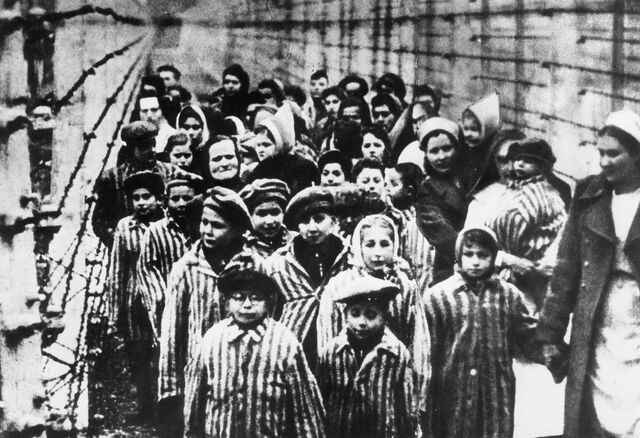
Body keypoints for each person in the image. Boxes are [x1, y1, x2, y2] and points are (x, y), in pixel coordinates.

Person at [537, 110, 640, 437]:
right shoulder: (588, 196)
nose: (604, 162)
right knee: (596, 409)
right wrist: (550, 335)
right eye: (601, 153)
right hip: (596, 319)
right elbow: (565, 269)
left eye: (614, 154)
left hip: (636, 321)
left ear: (636, 154)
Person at [183, 253, 326, 438]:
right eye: (239, 298)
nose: (247, 305)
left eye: (256, 298)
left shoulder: (285, 342)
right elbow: (195, 398)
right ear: (227, 303)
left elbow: (305, 406)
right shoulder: (212, 339)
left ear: (268, 303)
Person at [424, 226, 537, 438]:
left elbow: (530, 337)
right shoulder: (437, 298)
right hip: (452, 392)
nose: (475, 262)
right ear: (459, 255)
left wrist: (554, 352)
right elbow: (427, 352)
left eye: (483, 255)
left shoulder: (509, 295)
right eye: (469, 254)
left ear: (493, 257)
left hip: (496, 393)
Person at [157, 187, 253, 437]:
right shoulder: (186, 268)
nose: (207, 231)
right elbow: (172, 333)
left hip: (246, 374)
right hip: (201, 372)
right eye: (204, 222)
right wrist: (170, 391)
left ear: (236, 229)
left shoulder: (252, 266)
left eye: (217, 225)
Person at [317, 276, 419, 438]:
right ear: (345, 316)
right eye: (355, 314)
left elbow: (405, 408)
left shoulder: (397, 354)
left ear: (385, 317)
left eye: (371, 315)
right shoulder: (331, 352)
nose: (362, 322)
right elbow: (319, 401)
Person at [264, 186, 348, 365]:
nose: (312, 228)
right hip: (293, 354)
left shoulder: (350, 258)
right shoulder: (278, 264)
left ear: (333, 221)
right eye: (304, 221)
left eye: (319, 219)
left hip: (339, 354)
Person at [106, 171, 164, 420]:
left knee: (164, 354)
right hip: (135, 302)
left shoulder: (168, 225)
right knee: (138, 355)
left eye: (146, 197)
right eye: (136, 198)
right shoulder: (125, 227)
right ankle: (145, 407)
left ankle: (166, 407)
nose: (141, 203)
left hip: (162, 300)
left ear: (159, 198)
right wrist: (114, 313)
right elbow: (117, 270)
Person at [486, 137, 567, 310]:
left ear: (542, 166)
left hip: (535, 275)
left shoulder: (546, 195)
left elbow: (558, 234)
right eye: (517, 159)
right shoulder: (512, 190)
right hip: (505, 268)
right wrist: (506, 258)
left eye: (528, 161)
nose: (520, 164)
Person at [92, 121, 182, 247]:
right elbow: (100, 222)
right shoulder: (111, 178)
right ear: (131, 150)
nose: (152, 150)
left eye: (153, 145)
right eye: (145, 147)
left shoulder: (170, 172)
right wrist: (120, 242)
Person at [137, 176, 202, 341]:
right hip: (168, 306)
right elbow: (147, 270)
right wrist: (162, 301)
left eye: (187, 198)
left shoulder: (204, 229)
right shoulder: (155, 231)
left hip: (199, 303)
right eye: (175, 199)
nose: (181, 204)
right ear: (166, 202)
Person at [414, 117, 468, 283]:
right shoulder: (425, 191)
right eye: (434, 151)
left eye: (447, 148)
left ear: (457, 148)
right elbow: (446, 238)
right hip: (452, 270)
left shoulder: (468, 178)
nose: (441, 156)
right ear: (425, 154)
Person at [248, 102, 319, 195]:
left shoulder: (303, 166)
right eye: (258, 145)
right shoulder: (259, 170)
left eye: (266, 145)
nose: (260, 150)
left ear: (280, 144)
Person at [385, 163, 433, 286]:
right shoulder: (390, 216)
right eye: (386, 184)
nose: (387, 189)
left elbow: (421, 267)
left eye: (394, 184)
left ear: (409, 191)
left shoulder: (419, 221)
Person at [238, 178, 293, 259]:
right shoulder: (240, 245)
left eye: (275, 213)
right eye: (262, 214)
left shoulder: (295, 241)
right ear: (249, 216)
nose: (269, 221)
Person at [460, 91, 501, 195]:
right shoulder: (466, 152)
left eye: (474, 129)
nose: (468, 134)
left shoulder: (491, 158)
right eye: (466, 128)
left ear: (487, 129)